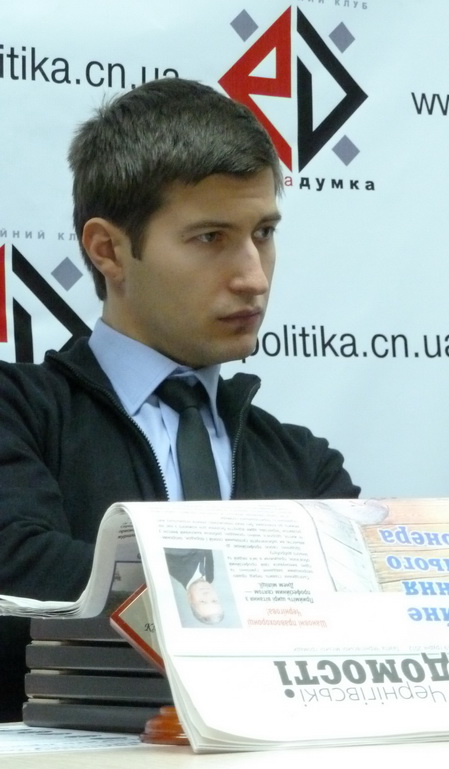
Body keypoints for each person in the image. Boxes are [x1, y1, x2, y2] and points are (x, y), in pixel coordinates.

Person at [0, 78, 359, 721]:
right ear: (109, 250)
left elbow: (364, 616)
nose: (253, 276)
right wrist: (272, 596)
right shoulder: (17, 411)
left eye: (264, 233)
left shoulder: (305, 464)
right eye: (210, 237)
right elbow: (19, 569)